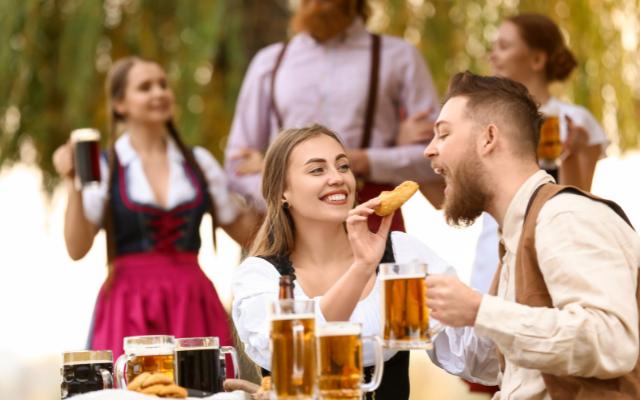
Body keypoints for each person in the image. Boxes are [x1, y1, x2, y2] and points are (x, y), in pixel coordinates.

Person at [423, 71, 640, 398]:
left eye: (443, 134)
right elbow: (504, 362)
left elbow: (611, 340)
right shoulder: (519, 232)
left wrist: (480, 310)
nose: (429, 150)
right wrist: (421, 309)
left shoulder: (564, 217)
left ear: (488, 138)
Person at [52, 57, 258, 357]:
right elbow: (76, 247)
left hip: (192, 301)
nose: (159, 93)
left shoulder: (198, 163)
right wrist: (72, 182)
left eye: (163, 85)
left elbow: (249, 234)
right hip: (129, 304)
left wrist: (270, 184)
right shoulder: (107, 167)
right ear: (120, 104)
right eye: (145, 87)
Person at [231, 124, 451, 399]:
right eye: (317, 170)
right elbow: (294, 351)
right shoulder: (260, 276)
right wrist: (361, 269)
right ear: (281, 193)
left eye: (343, 166)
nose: (337, 178)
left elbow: (470, 348)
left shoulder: (401, 254)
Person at [224, 0, 442, 231]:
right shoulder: (269, 63)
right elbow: (238, 163)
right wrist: (286, 197)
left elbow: (436, 157)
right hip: (291, 231)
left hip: (374, 222)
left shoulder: (398, 57)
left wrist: (364, 161)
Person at [471, 13, 609, 294]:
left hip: (551, 260)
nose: (493, 55)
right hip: (492, 261)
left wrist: (572, 153)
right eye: (493, 46)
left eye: (504, 46)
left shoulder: (577, 121)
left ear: (537, 59)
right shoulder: (484, 123)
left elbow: (577, 203)